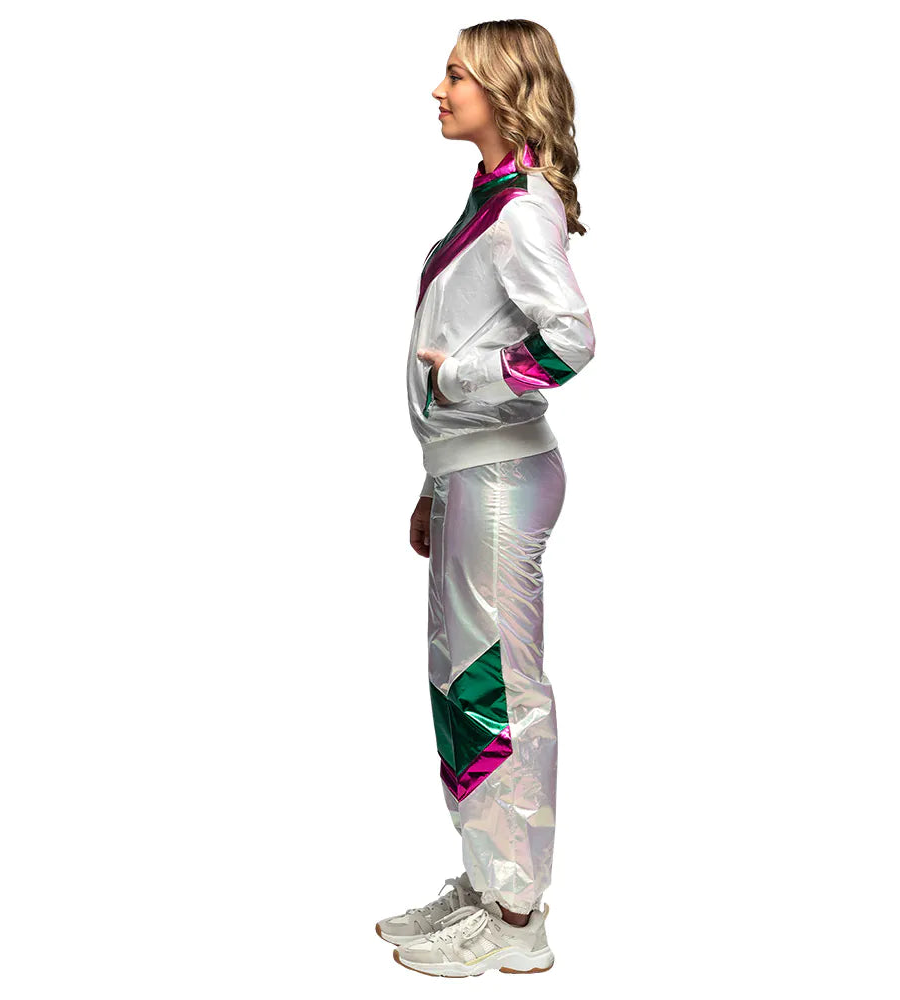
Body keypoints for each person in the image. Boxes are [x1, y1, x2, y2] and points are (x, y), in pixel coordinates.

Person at [375, 20, 595, 977]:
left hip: (502, 477)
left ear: (503, 89)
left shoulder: (522, 211)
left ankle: (515, 915)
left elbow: (571, 340)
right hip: (470, 475)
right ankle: (484, 880)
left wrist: (461, 379)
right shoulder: (490, 200)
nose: (439, 89)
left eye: (457, 74)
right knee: (463, 685)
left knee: (500, 689)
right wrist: (432, 481)